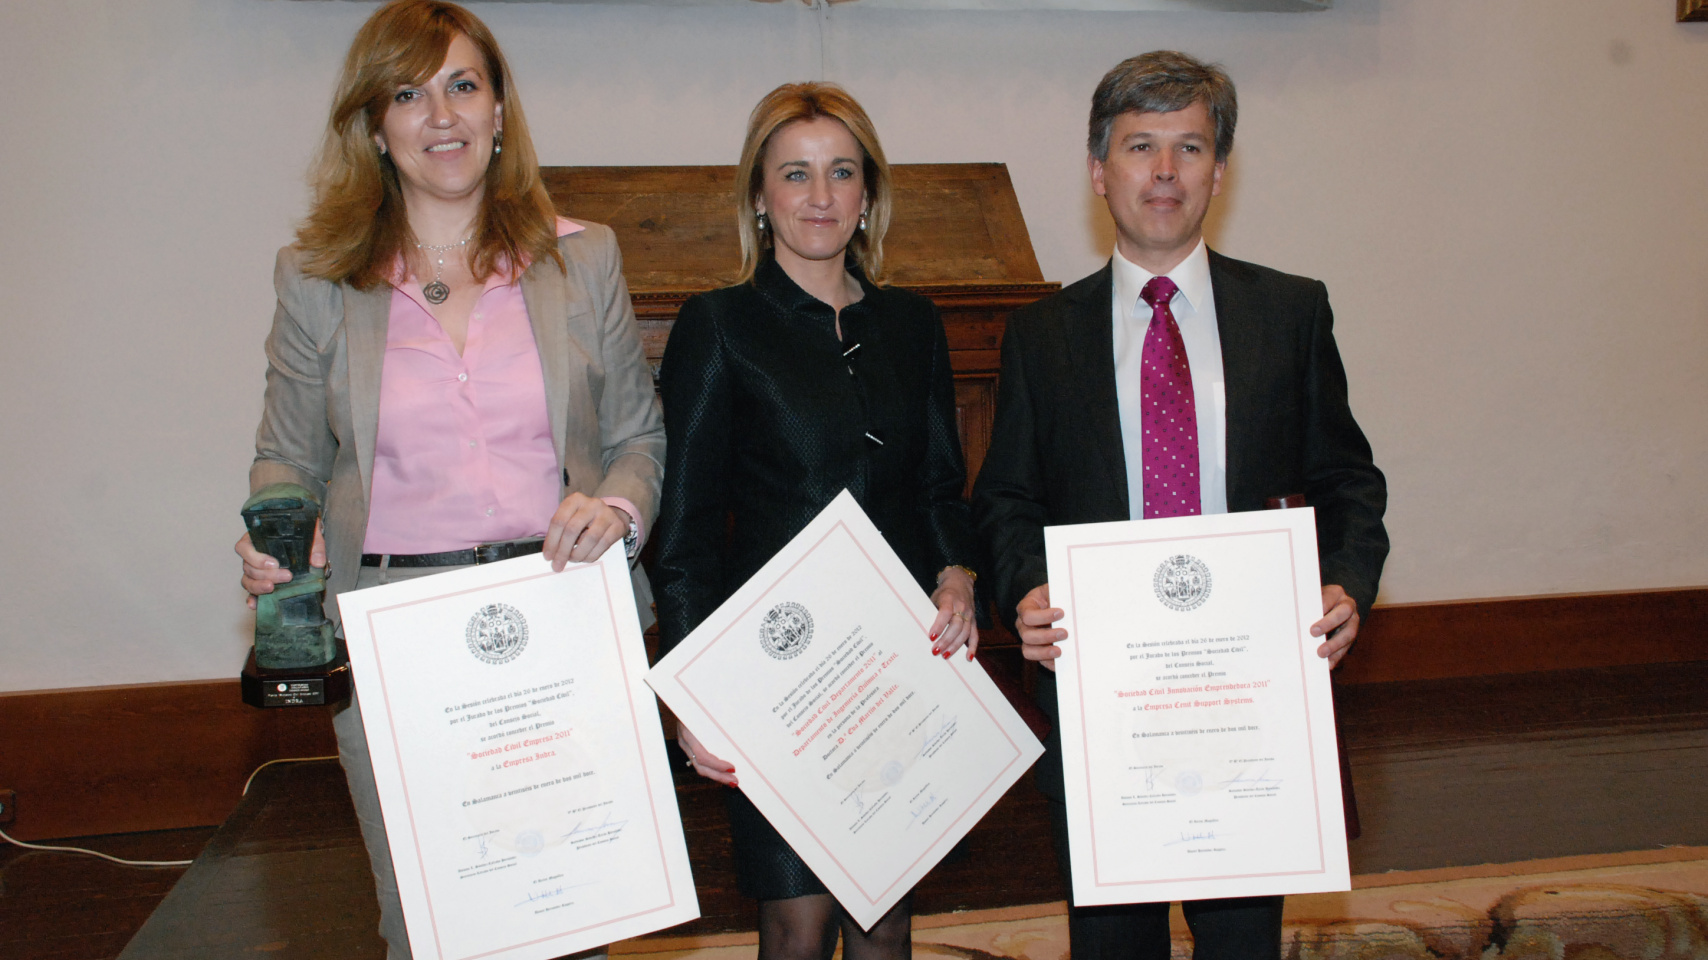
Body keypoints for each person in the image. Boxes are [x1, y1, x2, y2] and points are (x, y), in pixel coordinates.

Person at [234, 2, 663, 957]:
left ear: (499, 110)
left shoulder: (581, 258)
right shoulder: (316, 276)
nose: (442, 114)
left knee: (576, 913)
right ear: (374, 126)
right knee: (433, 926)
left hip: (560, 617)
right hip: (396, 631)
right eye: (408, 92)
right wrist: (280, 535)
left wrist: (618, 508)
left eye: (463, 85)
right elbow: (287, 457)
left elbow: (638, 435)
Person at [972, 51, 1389, 960]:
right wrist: (1024, 595)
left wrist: (1346, 585)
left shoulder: (1290, 313)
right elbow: (1005, 496)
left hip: (1249, 706)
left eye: (1189, 147)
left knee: (1243, 945)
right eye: (1140, 146)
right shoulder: (1043, 336)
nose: (1164, 171)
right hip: (1104, 708)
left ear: (1218, 172)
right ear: (1099, 171)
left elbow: (1350, 484)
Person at [652, 82, 981, 960]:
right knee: (797, 927)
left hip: (897, 672)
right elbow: (680, 533)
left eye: (842, 172)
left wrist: (958, 576)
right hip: (780, 679)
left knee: (886, 924)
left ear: (868, 192)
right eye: (795, 175)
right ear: (759, 198)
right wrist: (692, 697)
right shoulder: (718, 327)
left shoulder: (912, 323)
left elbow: (941, 486)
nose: (821, 196)